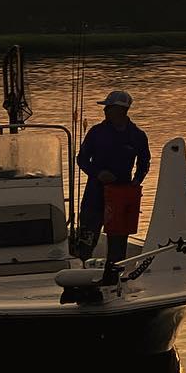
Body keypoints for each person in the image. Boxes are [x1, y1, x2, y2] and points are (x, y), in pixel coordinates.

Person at [74, 89, 151, 270]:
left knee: (118, 241)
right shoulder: (96, 132)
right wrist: (98, 173)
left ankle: (114, 274)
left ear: (121, 110)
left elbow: (144, 162)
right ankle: (80, 270)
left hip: (122, 195)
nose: (105, 111)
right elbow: (82, 159)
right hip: (95, 192)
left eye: (108, 107)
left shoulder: (138, 136)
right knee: (87, 238)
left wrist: (136, 181)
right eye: (106, 108)